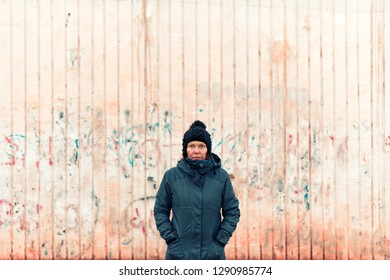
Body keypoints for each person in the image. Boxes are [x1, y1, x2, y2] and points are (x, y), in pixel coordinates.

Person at [153, 120, 240, 260]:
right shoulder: (171, 177)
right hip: (179, 255)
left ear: (208, 150)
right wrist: (171, 240)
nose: (196, 151)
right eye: (191, 146)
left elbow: (232, 212)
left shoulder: (221, 177)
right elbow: (160, 210)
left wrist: (219, 242)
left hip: (212, 256)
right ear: (185, 149)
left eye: (201, 146)